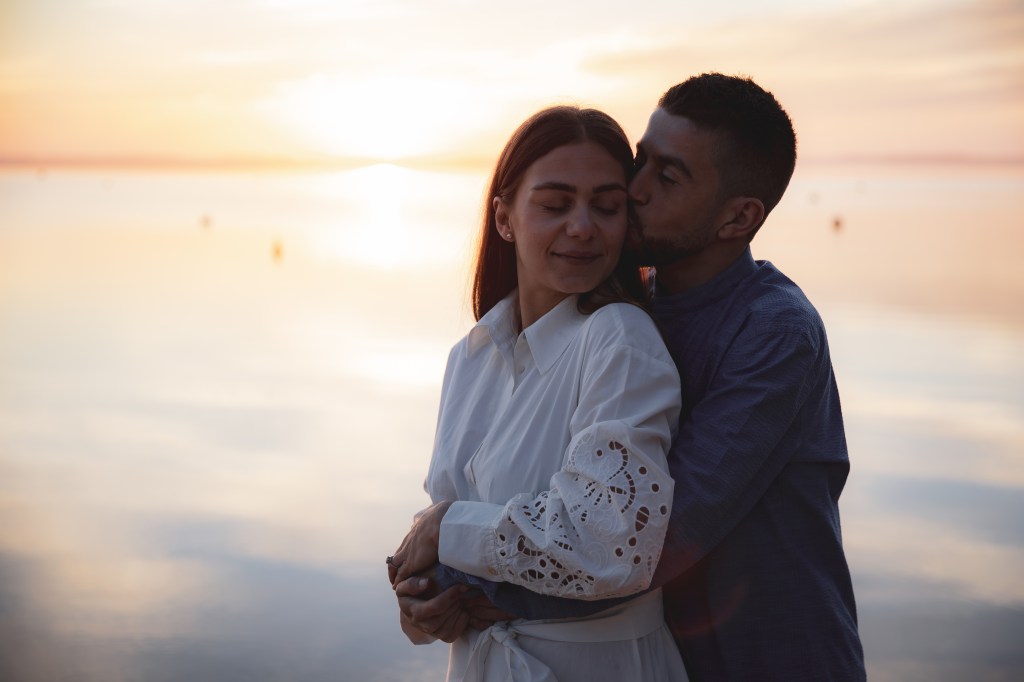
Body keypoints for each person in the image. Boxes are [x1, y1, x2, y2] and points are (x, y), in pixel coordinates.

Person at [395, 74, 867, 681]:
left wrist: (452, 575)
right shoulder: (613, 309)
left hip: (768, 657)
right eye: (641, 161)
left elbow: (658, 540)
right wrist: (426, 589)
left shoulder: (773, 332)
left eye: (666, 177)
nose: (634, 188)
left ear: (737, 218)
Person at [388, 106, 689, 681]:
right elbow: (453, 541)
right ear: (504, 218)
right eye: (554, 205)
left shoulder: (618, 339)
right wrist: (423, 605)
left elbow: (611, 544)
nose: (582, 227)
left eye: (606, 207)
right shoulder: (470, 356)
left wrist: (443, 527)